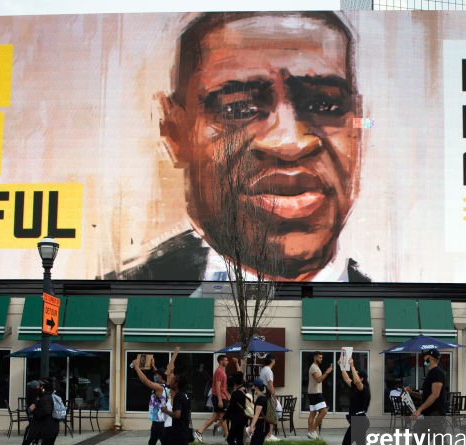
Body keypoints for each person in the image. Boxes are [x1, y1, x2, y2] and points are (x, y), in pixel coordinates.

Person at [109, 11, 368, 283]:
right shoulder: (128, 289)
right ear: (176, 131)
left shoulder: (398, 307)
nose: (290, 143)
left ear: (357, 128)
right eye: (239, 108)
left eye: (324, 106)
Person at [407, 351, 466, 445]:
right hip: (428, 416)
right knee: (417, 444)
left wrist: (419, 410)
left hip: (435, 416)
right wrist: (411, 392)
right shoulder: (431, 373)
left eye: (425, 357)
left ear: (430, 358)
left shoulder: (437, 373)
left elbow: (435, 395)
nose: (423, 359)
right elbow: (427, 396)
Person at [130, 356, 176, 445]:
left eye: (157, 375)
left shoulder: (159, 388)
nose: (155, 376)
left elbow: (145, 381)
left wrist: (136, 367)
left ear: (161, 377)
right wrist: (153, 365)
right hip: (158, 420)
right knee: (152, 444)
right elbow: (157, 374)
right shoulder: (167, 386)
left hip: (160, 422)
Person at [26, 379, 67, 445]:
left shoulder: (45, 399)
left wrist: (35, 411)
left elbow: (45, 411)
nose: (39, 388)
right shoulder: (46, 398)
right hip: (52, 429)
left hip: (46, 430)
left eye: (40, 387)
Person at [338, 358, 370, 445]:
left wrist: (352, 365)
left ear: (361, 378)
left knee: (346, 443)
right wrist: (342, 366)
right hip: (359, 420)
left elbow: (356, 380)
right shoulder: (354, 387)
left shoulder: (363, 389)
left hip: (360, 420)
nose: (354, 375)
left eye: (357, 374)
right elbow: (347, 378)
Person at [245, 378, 277, 445]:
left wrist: (251, 427)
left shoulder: (260, 399)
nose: (252, 389)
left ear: (256, 387)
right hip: (264, 425)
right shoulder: (266, 397)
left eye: (253, 387)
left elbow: (256, 415)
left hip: (261, 426)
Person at [195, 355, 230, 442]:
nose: (227, 362)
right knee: (223, 417)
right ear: (221, 361)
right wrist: (220, 399)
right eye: (226, 360)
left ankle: (199, 431)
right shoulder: (219, 372)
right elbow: (217, 387)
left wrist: (227, 394)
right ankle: (228, 437)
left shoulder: (222, 371)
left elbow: (223, 387)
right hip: (219, 397)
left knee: (215, 417)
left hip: (222, 396)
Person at [224, 371, 249, 445]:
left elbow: (231, 408)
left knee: (230, 439)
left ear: (234, 382)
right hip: (243, 419)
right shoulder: (245, 391)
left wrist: (224, 417)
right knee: (240, 441)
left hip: (236, 419)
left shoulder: (235, 394)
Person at [306, 351, 332, 439]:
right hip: (315, 393)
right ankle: (313, 430)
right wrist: (327, 372)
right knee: (324, 411)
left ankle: (310, 432)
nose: (321, 359)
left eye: (322, 358)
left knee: (312, 414)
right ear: (315, 357)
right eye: (320, 357)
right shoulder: (313, 367)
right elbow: (318, 380)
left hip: (313, 393)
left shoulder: (316, 367)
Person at [259, 356, 281, 441]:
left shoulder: (263, 369)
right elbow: (270, 385)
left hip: (263, 394)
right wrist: (274, 398)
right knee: (271, 414)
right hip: (267, 395)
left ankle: (267, 434)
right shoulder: (268, 371)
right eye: (274, 359)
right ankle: (269, 434)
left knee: (266, 415)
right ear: (272, 360)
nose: (275, 361)